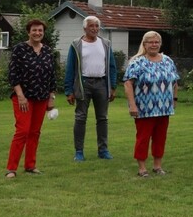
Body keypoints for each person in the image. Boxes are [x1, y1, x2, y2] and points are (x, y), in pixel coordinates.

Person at [5, 19, 57, 179]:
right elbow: (13, 74)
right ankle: (11, 169)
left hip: (42, 97)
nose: (37, 33)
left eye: (40, 30)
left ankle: (30, 165)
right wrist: (20, 96)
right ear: (29, 32)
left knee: (35, 132)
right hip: (23, 98)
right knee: (22, 131)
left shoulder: (48, 51)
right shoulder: (20, 49)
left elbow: (52, 76)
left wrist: (51, 97)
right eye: (34, 30)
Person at [123, 31, 179, 178]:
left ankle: (157, 166)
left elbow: (174, 82)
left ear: (160, 44)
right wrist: (132, 105)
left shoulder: (168, 60)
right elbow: (128, 83)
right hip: (144, 108)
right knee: (143, 138)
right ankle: (142, 168)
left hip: (164, 108)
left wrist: (175, 99)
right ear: (145, 44)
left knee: (160, 138)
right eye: (150, 42)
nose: (154, 45)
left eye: (156, 42)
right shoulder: (137, 62)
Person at [64, 15, 118, 161]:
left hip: (102, 84)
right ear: (85, 28)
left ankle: (103, 150)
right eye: (91, 26)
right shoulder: (76, 44)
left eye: (96, 26)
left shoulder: (106, 43)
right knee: (80, 118)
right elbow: (70, 68)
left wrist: (113, 86)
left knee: (102, 118)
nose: (94, 29)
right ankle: (79, 152)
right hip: (83, 84)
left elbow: (112, 66)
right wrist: (69, 90)